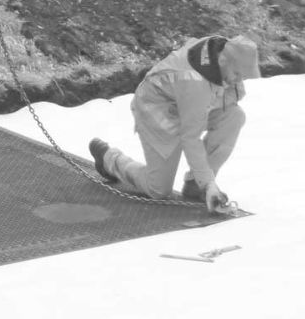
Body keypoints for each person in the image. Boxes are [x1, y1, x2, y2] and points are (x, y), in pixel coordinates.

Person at [89, 35, 260, 213]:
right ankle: (110, 159)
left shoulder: (219, 52)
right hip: (156, 110)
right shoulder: (195, 82)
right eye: (237, 74)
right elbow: (190, 138)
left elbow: (227, 97)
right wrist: (209, 183)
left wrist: (202, 181)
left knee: (233, 117)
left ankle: (195, 185)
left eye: (243, 76)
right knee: (158, 189)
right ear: (223, 60)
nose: (239, 80)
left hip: (185, 104)